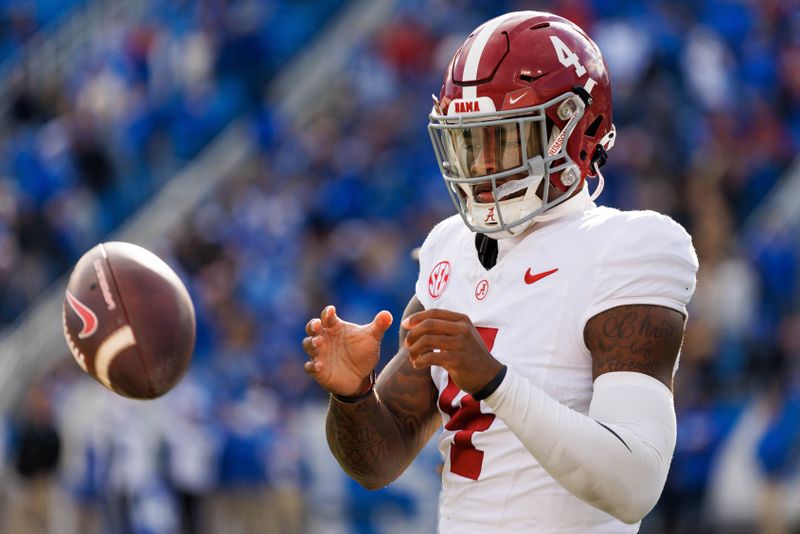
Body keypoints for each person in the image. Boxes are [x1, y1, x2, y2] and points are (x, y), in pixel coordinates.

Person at [302, 10, 698, 532]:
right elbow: (377, 462)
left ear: (578, 129)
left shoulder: (629, 245)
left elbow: (634, 486)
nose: (483, 165)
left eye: (504, 139)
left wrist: (493, 380)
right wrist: (352, 394)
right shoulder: (448, 247)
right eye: (469, 141)